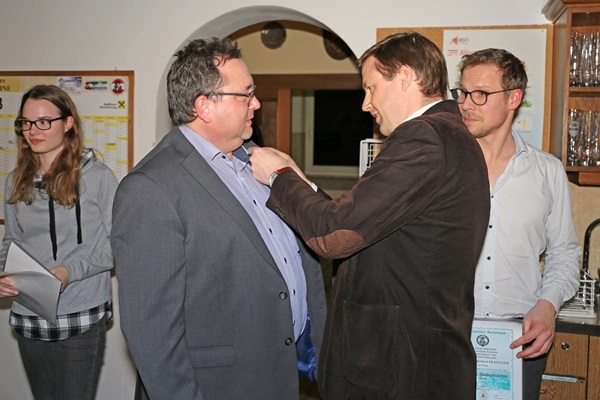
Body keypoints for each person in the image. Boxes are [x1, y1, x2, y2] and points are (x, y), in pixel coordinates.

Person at [249, 32, 490, 400]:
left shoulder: (424, 137)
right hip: (420, 362)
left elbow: (334, 235)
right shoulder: (451, 136)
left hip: (402, 370)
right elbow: (360, 220)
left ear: (406, 77)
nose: (365, 104)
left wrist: (278, 178)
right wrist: (300, 181)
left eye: (371, 88)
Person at [110, 37, 326, 400]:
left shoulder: (260, 161)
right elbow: (152, 332)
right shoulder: (150, 188)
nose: (256, 103)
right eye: (246, 94)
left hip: (279, 372)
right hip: (219, 386)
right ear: (204, 106)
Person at [453, 48, 581, 400]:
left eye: (480, 94)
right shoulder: (442, 168)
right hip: (450, 336)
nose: (466, 104)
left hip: (521, 339)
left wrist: (548, 305)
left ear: (513, 98)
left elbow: (564, 253)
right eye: (463, 92)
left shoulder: (547, 172)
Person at [0, 84, 118, 400]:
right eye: (26, 122)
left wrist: (69, 271)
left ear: (67, 123)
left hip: (81, 313)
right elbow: (11, 241)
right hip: (30, 313)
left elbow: (115, 246)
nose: (33, 130)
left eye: (43, 121)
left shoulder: (98, 177)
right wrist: (3, 274)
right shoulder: (15, 180)